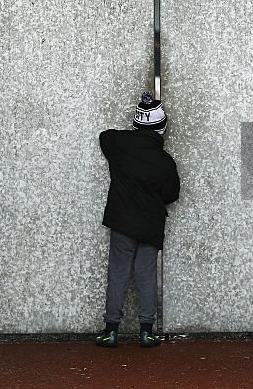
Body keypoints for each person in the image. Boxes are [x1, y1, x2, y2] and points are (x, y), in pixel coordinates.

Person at [94, 91, 180, 348]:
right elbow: (171, 193)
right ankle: (146, 330)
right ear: (161, 128)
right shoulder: (165, 162)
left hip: (122, 221)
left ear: (138, 123)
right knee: (146, 274)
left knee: (118, 273)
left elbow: (105, 136)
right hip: (150, 225)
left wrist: (133, 132)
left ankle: (110, 330)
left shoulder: (120, 146)